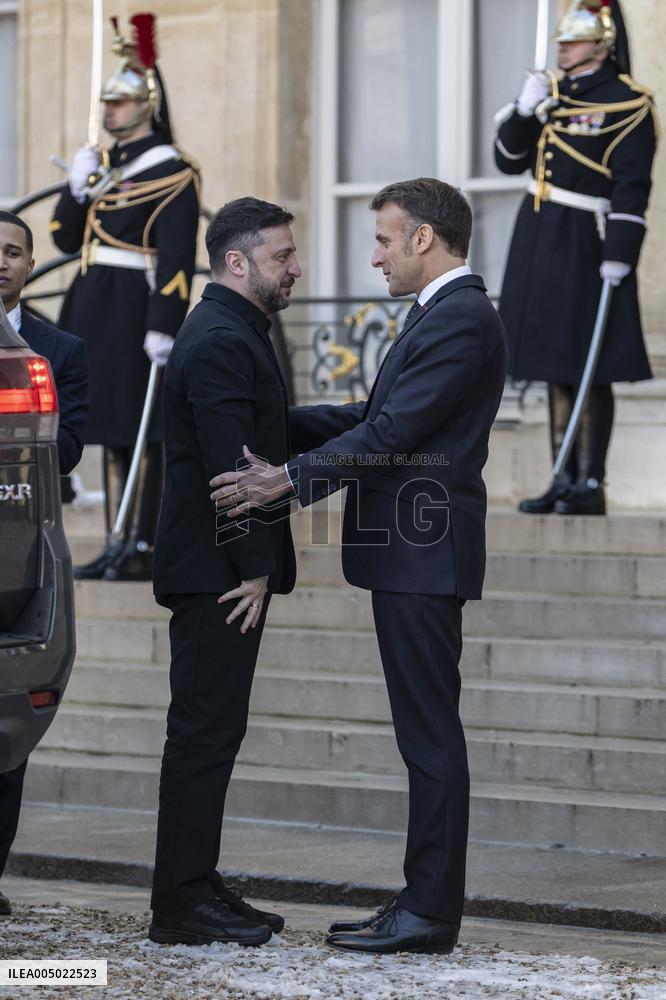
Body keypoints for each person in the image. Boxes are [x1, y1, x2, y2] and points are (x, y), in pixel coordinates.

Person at [212, 178, 508, 955]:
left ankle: (430, 913)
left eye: (383, 239)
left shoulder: (463, 316)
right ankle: (419, 900)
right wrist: (272, 426)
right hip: (408, 556)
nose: (372, 255)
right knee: (424, 736)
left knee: (430, 740)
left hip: (425, 553)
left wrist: (290, 478)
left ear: (422, 239)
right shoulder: (437, 315)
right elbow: (372, 419)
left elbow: (396, 431)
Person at [148, 198, 300, 946]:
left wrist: (370, 422)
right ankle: (178, 904)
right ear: (236, 262)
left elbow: (266, 432)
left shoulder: (234, 329)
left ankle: (196, 881)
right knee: (203, 734)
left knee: (215, 731)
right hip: (219, 573)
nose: (295, 267)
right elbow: (231, 469)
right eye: (282, 256)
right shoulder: (216, 338)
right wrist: (254, 568)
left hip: (223, 566)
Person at [50, 13, 200, 579]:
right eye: (106, 102)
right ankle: (118, 540)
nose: (108, 111)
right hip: (93, 300)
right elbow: (65, 237)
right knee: (108, 426)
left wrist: (165, 320)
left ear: (147, 105)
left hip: (133, 307)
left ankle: (138, 543)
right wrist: (76, 187)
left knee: (138, 428)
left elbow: (177, 254)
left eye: (120, 102)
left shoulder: (173, 170)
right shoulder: (107, 165)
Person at [495, 0, 657, 516]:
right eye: (561, 41)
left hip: (586, 239)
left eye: (573, 40)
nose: (561, 48)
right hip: (540, 234)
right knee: (551, 363)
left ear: (602, 45)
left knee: (590, 363)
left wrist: (621, 254)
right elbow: (507, 161)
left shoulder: (628, 102)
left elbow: (634, 185)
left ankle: (590, 482)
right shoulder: (549, 94)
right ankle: (561, 476)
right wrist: (524, 110)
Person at [0, 211, 89, 917]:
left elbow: (70, 451)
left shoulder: (59, 349)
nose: (0, 260)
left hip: (16, 556)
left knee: (7, 744)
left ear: (31, 264)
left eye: (12, 251)